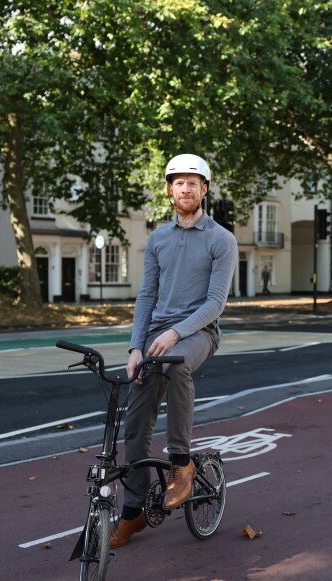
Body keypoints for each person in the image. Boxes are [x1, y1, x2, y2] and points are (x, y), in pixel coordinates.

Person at [110, 154, 238, 549]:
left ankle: (182, 463)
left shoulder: (221, 239)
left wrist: (175, 334)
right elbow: (146, 296)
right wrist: (135, 347)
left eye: (193, 182)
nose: (186, 188)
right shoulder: (159, 239)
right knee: (135, 424)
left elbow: (215, 302)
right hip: (155, 335)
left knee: (176, 364)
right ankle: (132, 513)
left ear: (204, 190)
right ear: (170, 190)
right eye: (178, 182)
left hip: (199, 331)